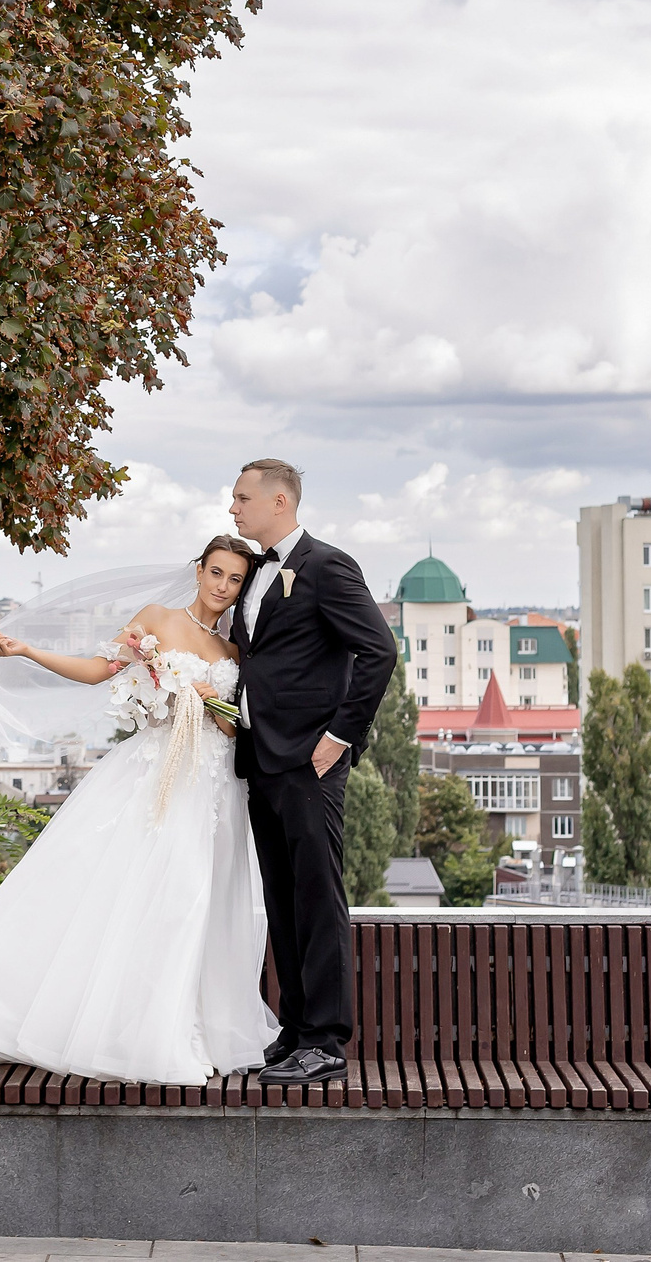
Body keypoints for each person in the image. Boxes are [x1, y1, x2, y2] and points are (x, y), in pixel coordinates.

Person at [0, 536, 276, 1085]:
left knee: (196, 903)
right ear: (198, 571)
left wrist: (202, 696)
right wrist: (30, 652)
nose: (223, 587)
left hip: (214, 786)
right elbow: (103, 669)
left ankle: (184, 1024)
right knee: (123, 895)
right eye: (216, 573)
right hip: (155, 775)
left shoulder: (234, 654)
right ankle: (103, 1028)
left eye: (235, 579)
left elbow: (229, 726)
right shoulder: (156, 618)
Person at [224, 457, 400, 1084]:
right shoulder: (253, 577)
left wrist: (340, 737)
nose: (234, 508)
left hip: (309, 760)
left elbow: (379, 650)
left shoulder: (326, 566)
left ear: (280, 503)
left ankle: (324, 1041)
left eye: (242, 498)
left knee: (318, 898)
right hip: (261, 758)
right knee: (284, 899)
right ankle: (295, 1031)